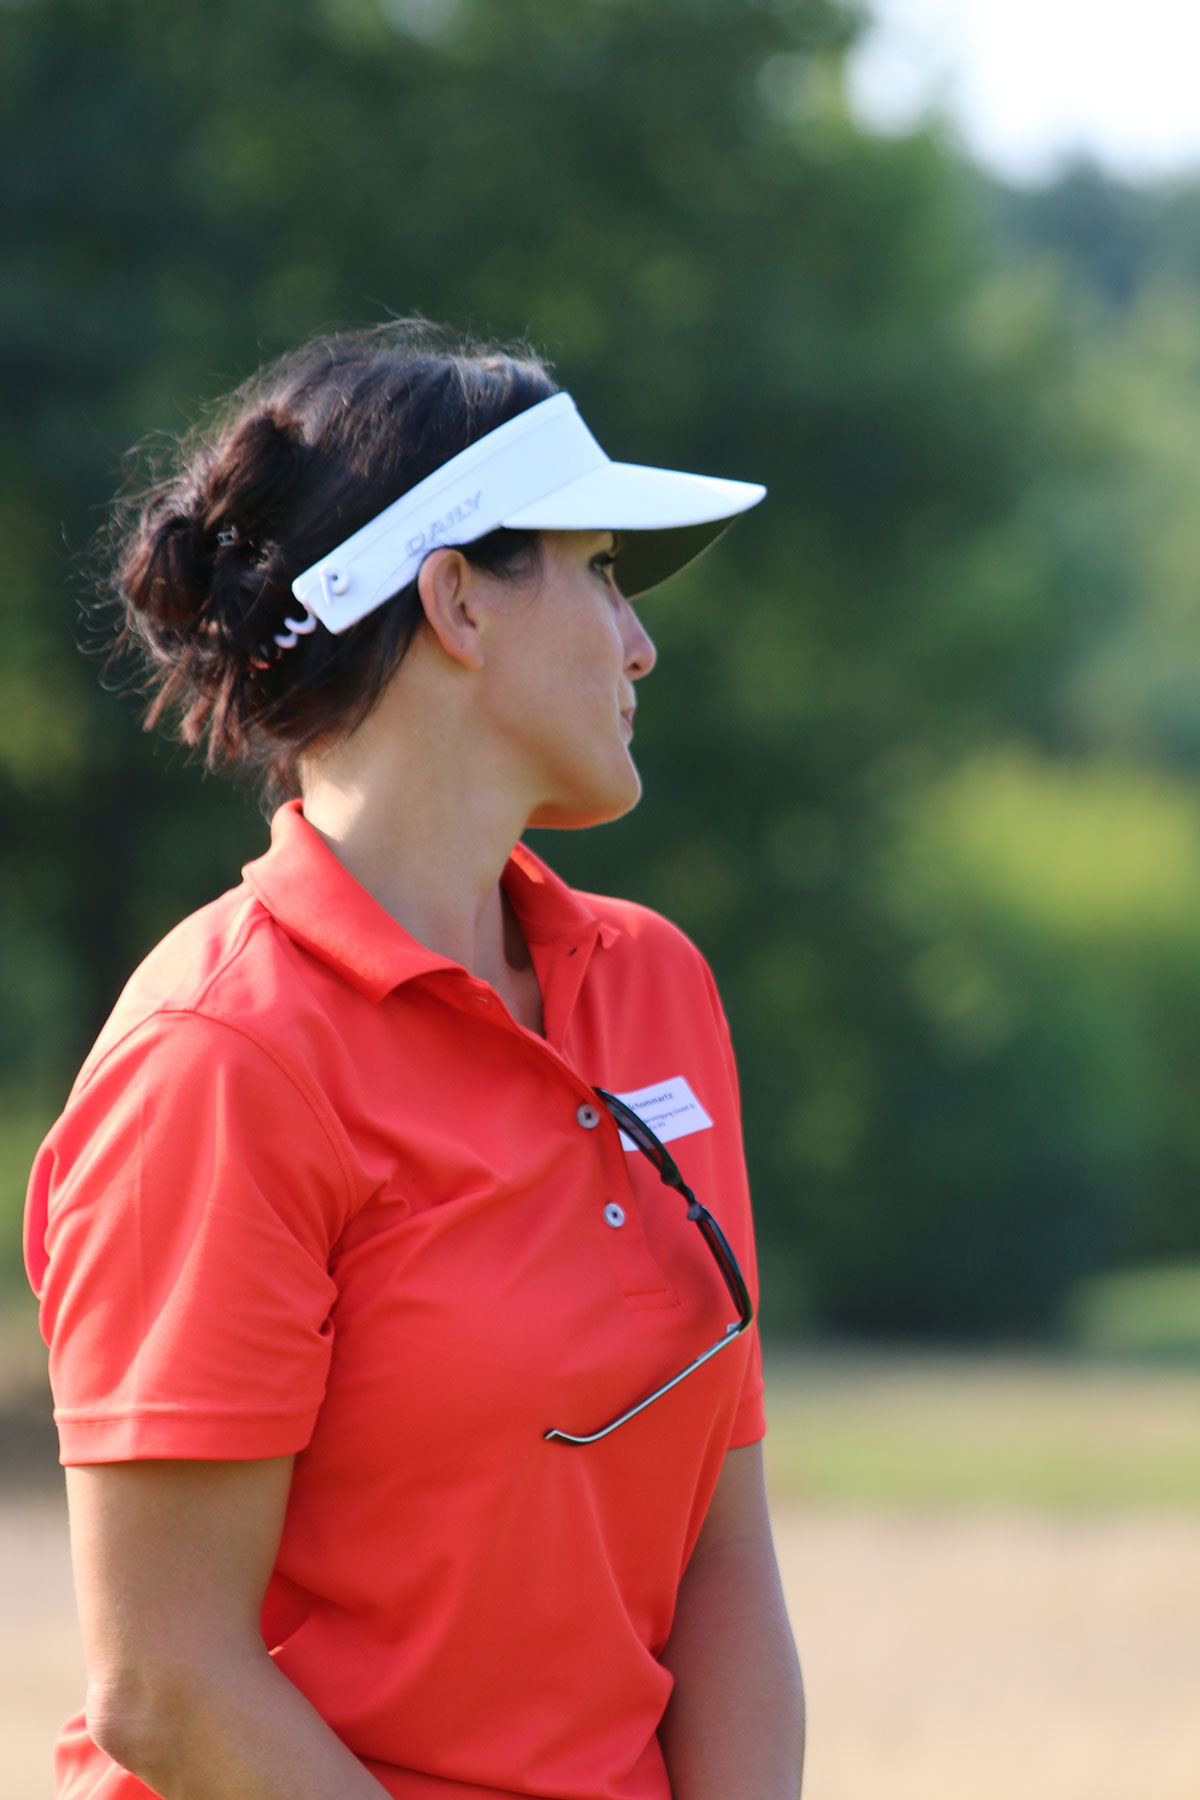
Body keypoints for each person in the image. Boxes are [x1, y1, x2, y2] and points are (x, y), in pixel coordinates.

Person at [24, 322, 805, 1800]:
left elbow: (723, 1542)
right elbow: (166, 1686)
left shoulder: (657, 987)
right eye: (600, 571)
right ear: (455, 600)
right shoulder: (219, 1060)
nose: (640, 642)